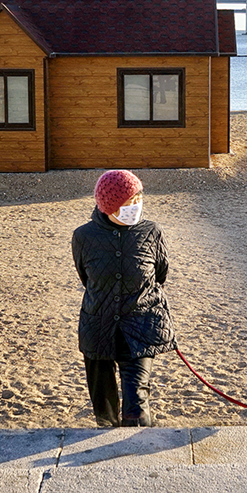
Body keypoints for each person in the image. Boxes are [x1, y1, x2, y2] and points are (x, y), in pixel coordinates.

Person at [72, 169, 177, 427]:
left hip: (140, 327)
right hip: (98, 328)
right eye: (129, 202)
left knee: (137, 411)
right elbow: (86, 278)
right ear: (109, 206)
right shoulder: (83, 236)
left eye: (138, 199)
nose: (136, 206)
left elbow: (160, 274)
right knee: (104, 413)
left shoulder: (152, 232)